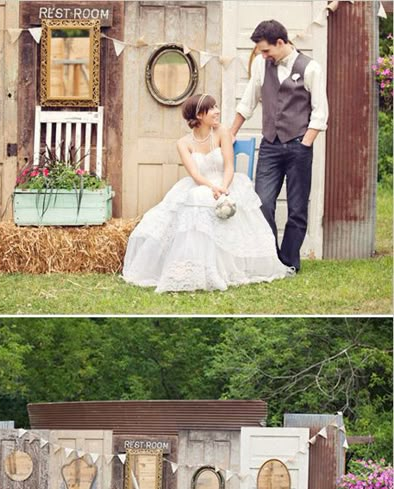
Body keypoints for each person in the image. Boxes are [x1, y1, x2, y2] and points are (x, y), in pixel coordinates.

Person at [122, 93, 293, 293]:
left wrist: (224, 187)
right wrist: (212, 188)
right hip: (201, 184)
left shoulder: (222, 132)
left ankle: (219, 267)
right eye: (212, 108)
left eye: (217, 106)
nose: (217, 111)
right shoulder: (183, 143)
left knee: (207, 200)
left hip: (227, 182)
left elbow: (229, 165)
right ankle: (194, 266)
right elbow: (194, 174)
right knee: (195, 197)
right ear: (199, 114)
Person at [230, 19, 329, 272]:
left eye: (266, 50)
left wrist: (305, 144)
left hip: (299, 146)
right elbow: (247, 103)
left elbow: (320, 112)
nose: (263, 55)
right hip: (270, 146)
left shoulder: (311, 68)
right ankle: (272, 258)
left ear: (281, 43)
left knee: (297, 208)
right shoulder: (262, 67)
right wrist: (230, 133)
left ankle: (289, 261)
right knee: (262, 202)